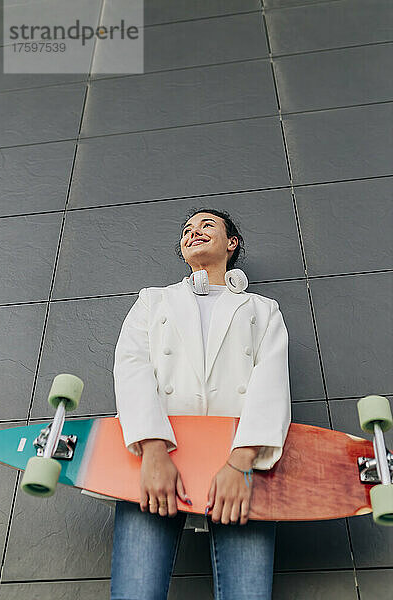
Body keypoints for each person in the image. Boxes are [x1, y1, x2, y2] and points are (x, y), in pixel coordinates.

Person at [110, 208, 291, 600]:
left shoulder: (262, 309)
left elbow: (271, 384)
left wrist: (240, 463)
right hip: (155, 462)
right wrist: (154, 451)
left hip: (242, 468)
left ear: (232, 243)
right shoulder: (153, 300)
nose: (194, 232)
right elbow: (132, 368)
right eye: (187, 230)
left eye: (206, 225)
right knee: (134, 594)